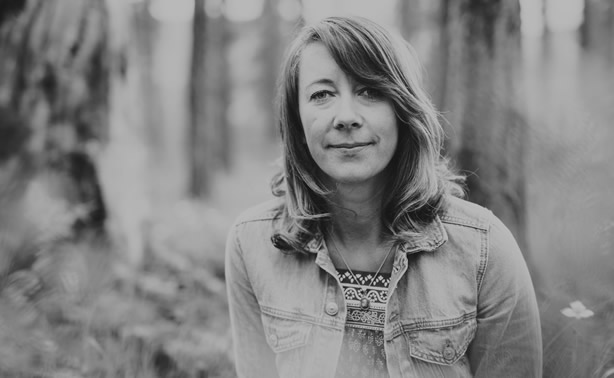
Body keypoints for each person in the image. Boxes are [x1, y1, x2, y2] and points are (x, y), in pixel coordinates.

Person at [225, 16, 542, 378]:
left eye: (369, 91)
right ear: (297, 122)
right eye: (322, 94)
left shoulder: (484, 249)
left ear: (403, 111)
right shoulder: (252, 243)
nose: (346, 117)